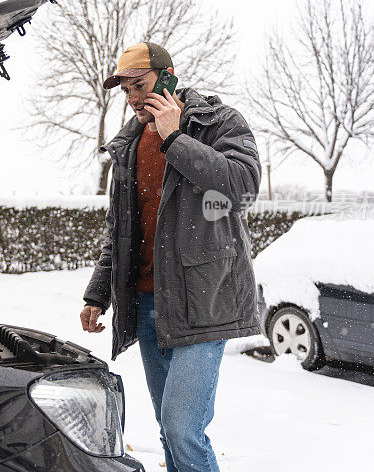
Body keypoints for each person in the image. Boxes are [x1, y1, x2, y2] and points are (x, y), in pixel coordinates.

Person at [80, 42, 261, 472]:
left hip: (204, 301)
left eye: (139, 85)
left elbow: (242, 188)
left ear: (168, 77)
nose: (133, 98)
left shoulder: (218, 122)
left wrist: (175, 137)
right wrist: (96, 294)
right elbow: (121, 231)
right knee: (167, 427)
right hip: (146, 305)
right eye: (125, 90)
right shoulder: (128, 144)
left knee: (184, 431)